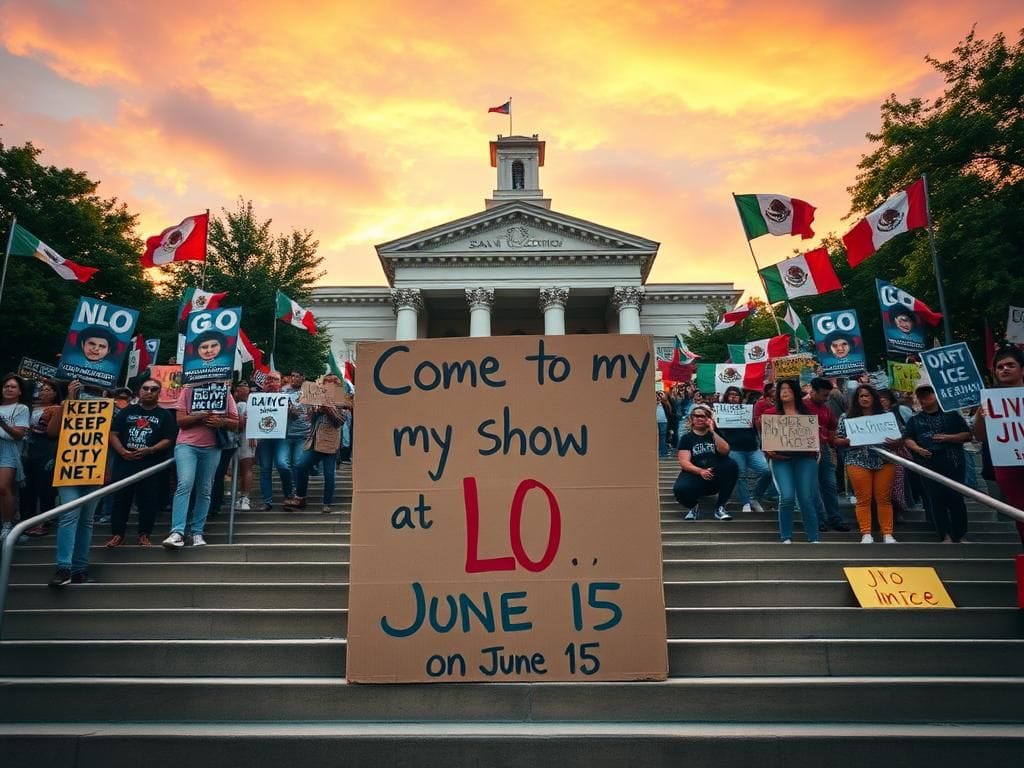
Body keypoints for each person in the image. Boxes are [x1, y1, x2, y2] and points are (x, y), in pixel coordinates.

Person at [162, 380, 238, 548]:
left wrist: (222, 422)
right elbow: (180, 420)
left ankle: (197, 532)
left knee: (205, 489)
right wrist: (202, 415)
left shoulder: (224, 392)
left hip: (212, 447)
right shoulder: (187, 390)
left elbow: (236, 423)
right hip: (187, 445)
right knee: (185, 483)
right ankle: (177, 532)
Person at [47, 380, 104, 586]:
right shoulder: (65, 404)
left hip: (94, 467)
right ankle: (64, 567)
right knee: (69, 515)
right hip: (69, 468)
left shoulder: (107, 405)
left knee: (86, 521)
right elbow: (52, 432)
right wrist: (69, 401)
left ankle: (79, 569)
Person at [106, 378, 175, 547]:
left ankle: (144, 534)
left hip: (150, 464)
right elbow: (113, 433)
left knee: (148, 500)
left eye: (154, 389)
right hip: (125, 462)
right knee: (121, 499)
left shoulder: (164, 415)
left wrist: (151, 450)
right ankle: (117, 534)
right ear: (139, 391)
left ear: (159, 393)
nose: (149, 392)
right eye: (146, 388)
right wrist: (122, 451)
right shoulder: (126, 411)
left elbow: (169, 439)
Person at [834, 384, 903, 543]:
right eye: (860, 396)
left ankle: (887, 533)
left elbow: (900, 438)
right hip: (857, 460)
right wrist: (847, 441)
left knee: (883, 498)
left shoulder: (887, 416)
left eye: (867, 395)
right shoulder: (847, 417)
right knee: (863, 498)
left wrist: (895, 442)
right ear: (856, 399)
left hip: (884, 460)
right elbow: (837, 439)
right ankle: (866, 533)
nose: (864, 399)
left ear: (874, 398)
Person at [904, 385, 972, 543]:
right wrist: (917, 448)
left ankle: (960, 534)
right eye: (921, 396)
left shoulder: (951, 415)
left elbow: (968, 435)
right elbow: (907, 438)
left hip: (953, 460)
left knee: (956, 497)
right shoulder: (915, 420)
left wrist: (948, 438)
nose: (924, 399)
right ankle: (944, 534)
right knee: (935, 499)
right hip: (928, 463)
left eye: (928, 395)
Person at [973, 345, 1024, 546]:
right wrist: (980, 416)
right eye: (1000, 367)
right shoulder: (989, 401)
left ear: (1022, 369)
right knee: (1020, 513)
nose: (1004, 369)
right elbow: (980, 436)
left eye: (1010, 365)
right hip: (1007, 465)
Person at [762, 379, 820, 544]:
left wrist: (817, 435)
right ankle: (786, 536)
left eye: (788, 389)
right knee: (786, 497)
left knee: (806, 498)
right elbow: (765, 441)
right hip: (781, 460)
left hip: (805, 460)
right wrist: (767, 449)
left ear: (795, 392)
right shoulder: (771, 414)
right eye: (781, 389)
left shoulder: (807, 415)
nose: (784, 392)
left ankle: (813, 537)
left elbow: (819, 439)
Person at [673, 404, 737, 521]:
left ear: (708, 419)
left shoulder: (715, 434)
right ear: (691, 419)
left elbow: (725, 451)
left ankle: (720, 507)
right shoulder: (687, 438)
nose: (699, 418)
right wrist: (700, 471)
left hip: (716, 472)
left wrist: (713, 431)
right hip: (696, 473)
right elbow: (684, 462)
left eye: (703, 416)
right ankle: (693, 506)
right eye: (696, 416)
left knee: (731, 465)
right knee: (680, 489)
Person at [804, 378, 851, 532]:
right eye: (824, 395)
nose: (826, 399)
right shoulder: (801, 406)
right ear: (813, 391)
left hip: (823, 449)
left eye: (828, 396)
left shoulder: (826, 409)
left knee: (830, 485)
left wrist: (841, 441)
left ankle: (835, 518)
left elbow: (832, 431)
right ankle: (818, 520)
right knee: (812, 487)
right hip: (805, 452)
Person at [716, 386, 772, 513]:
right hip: (735, 450)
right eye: (730, 394)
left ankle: (755, 498)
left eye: (736, 395)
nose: (733, 397)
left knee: (767, 472)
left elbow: (758, 428)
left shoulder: (749, 410)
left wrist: (756, 422)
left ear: (741, 398)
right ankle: (746, 502)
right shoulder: (721, 412)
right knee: (741, 476)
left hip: (752, 448)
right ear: (726, 397)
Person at [21, 379, 62, 537]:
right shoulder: (29, 408)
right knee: (27, 486)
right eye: (42, 389)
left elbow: (54, 433)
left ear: (54, 393)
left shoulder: (58, 408)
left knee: (44, 487)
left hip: (47, 449)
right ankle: (26, 520)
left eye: (48, 389)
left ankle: (45, 521)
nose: (44, 392)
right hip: (29, 449)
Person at [301, 374, 345, 513]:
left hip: (330, 443)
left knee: (329, 474)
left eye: (332, 383)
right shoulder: (318, 396)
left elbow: (340, 421)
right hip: (315, 441)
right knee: (301, 465)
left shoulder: (340, 399)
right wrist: (315, 409)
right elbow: (310, 418)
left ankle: (327, 503)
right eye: (327, 382)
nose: (328, 385)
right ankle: (300, 496)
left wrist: (327, 408)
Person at [0, 373, 31, 542]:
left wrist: (3, 424)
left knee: (3, 487)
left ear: (19, 391)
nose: (9, 389)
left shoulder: (21, 409)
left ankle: (7, 525)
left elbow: (18, 435)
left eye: (13, 387)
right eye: (6, 386)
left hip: (9, 450)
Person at [256, 371, 288, 511]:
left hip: (281, 437)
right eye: (269, 379)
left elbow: (294, 415)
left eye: (275, 379)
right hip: (265, 438)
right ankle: (267, 501)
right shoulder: (257, 398)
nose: (272, 382)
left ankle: (289, 495)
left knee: (282, 464)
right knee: (265, 469)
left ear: (281, 382)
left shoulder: (286, 397)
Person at [280, 370, 312, 508]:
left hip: (303, 434)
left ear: (303, 378)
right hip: (285, 434)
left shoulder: (309, 393)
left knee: (299, 465)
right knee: (282, 464)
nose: (294, 378)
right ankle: (289, 493)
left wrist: (294, 412)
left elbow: (309, 412)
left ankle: (299, 496)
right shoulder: (282, 393)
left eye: (298, 376)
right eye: (292, 376)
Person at [655, 391, 671, 458]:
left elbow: (669, 411)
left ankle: (663, 451)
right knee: (656, 437)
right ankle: (658, 451)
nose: (657, 398)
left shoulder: (664, 403)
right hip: (655, 422)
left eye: (658, 396)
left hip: (663, 421)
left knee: (662, 437)